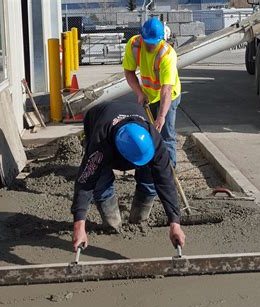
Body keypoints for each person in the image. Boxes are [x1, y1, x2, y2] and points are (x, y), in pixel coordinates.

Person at [71, 101, 185, 252]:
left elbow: (165, 181)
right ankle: (112, 223)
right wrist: (79, 225)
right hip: (98, 119)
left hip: (131, 116)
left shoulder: (154, 140)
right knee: (100, 180)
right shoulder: (100, 144)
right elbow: (85, 182)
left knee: (150, 176)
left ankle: (139, 219)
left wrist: (174, 222)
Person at [123, 18, 181, 214]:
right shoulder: (134, 45)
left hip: (168, 98)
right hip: (148, 95)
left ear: (160, 40)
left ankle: (168, 179)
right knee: (149, 136)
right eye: (148, 42)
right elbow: (129, 72)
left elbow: (166, 89)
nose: (150, 46)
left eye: (153, 43)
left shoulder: (167, 55)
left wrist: (162, 116)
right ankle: (148, 175)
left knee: (166, 137)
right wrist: (140, 93)